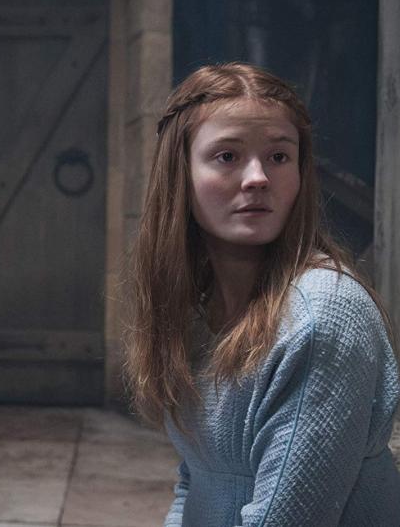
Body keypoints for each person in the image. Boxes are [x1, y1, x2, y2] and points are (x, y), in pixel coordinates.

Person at [123, 62, 400, 526]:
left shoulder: (324, 316)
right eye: (227, 156)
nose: (258, 177)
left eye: (278, 156)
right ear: (180, 174)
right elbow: (196, 481)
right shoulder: (197, 311)